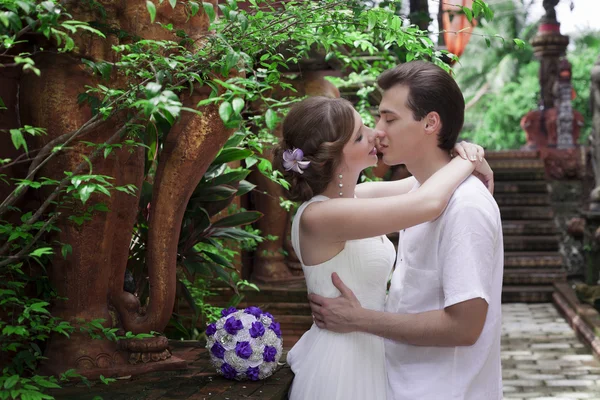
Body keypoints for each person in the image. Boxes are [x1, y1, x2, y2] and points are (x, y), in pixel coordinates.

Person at [273, 92, 493, 399]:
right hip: (341, 364)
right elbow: (428, 201)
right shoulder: (320, 216)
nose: (376, 133)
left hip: (370, 353)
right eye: (360, 135)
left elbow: (427, 181)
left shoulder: (356, 199)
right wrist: (471, 159)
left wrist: (465, 152)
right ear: (337, 156)